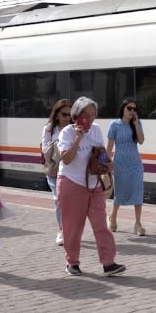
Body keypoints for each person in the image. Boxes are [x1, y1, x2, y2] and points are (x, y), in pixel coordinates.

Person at [57, 96, 126, 277]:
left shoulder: (95, 130)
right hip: (71, 183)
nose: (90, 119)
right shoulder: (67, 133)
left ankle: (108, 262)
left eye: (93, 114)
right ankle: (72, 262)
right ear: (76, 116)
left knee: (100, 224)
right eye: (85, 115)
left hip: (93, 184)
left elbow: (100, 152)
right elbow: (66, 158)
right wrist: (77, 139)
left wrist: (107, 163)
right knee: (73, 227)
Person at [107, 98, 145, 236]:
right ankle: (113, 217)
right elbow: (109, 147)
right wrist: (107, 164)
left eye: (134, 109)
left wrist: (136, 125)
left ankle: (138, 224)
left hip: (135, 164)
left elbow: (141, 141)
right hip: (120, 164)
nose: (132, 111)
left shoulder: (137, 123)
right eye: (129, 108)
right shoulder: (114, 125)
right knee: (120, 192)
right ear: (123, 109)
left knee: (137, 192)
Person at [41, 99, 72, 246]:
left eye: (69, 115)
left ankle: (69, 229)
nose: (67, 118)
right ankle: (61, 230)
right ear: (57, 114)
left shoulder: (73, 128)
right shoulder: (49, 129)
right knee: (58, 200)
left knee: (69, 202)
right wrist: (61, 145)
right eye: (64, 114)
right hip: (54, 169)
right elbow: (45, 149)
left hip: (69, 170)